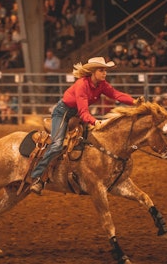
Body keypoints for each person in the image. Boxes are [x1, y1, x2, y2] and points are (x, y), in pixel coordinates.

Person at [29, 56, 142, 195]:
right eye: (101, 70)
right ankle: (37, 177)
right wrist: (95, 121)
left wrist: (134, 102)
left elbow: (116, 94)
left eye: (105, 70)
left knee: (92, 141)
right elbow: (84, 112)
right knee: (57, 144)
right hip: (63, 113)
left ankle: (82, 173)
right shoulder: (82, 85)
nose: (105, 73)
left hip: (77, 115)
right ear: (93, 72)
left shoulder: (102, 84)